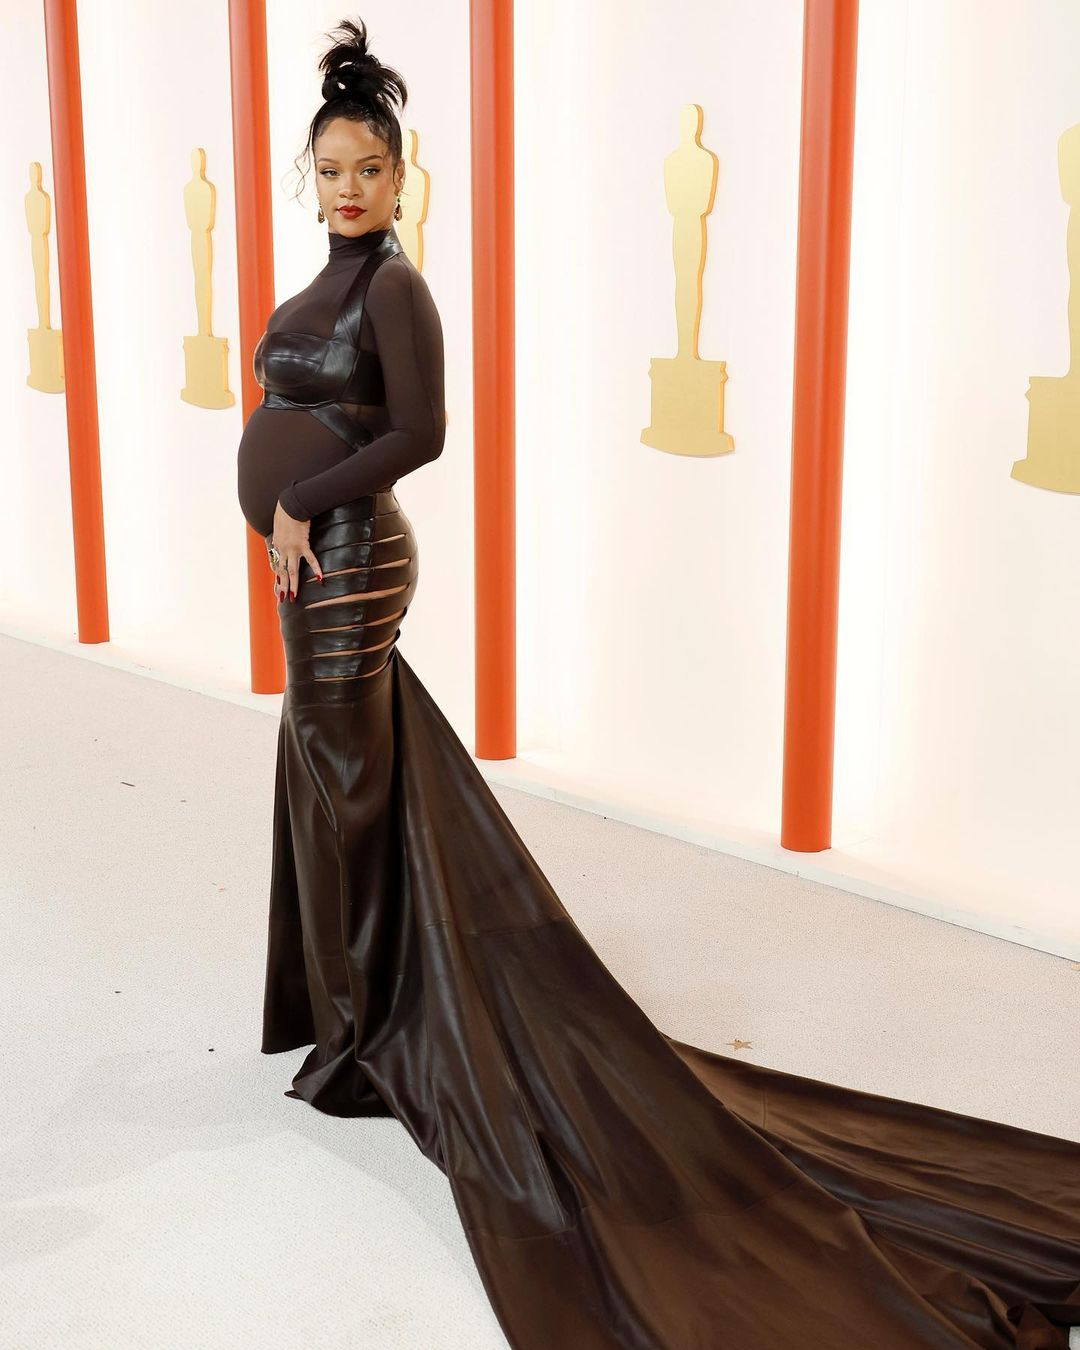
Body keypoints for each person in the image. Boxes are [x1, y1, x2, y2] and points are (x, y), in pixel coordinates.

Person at [236, 17, 1080, 1349]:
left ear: (402, 177)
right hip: (310, 568)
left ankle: (371, 1036)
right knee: (332, 783)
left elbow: (422, 433)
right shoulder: (323, 285)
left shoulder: (394, 288)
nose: (349, 189)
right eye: (330, 171)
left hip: (347, 563)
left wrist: (299, 502)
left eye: (370, 171)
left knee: (344, 790)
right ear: (312, 174)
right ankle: (366, 1011)